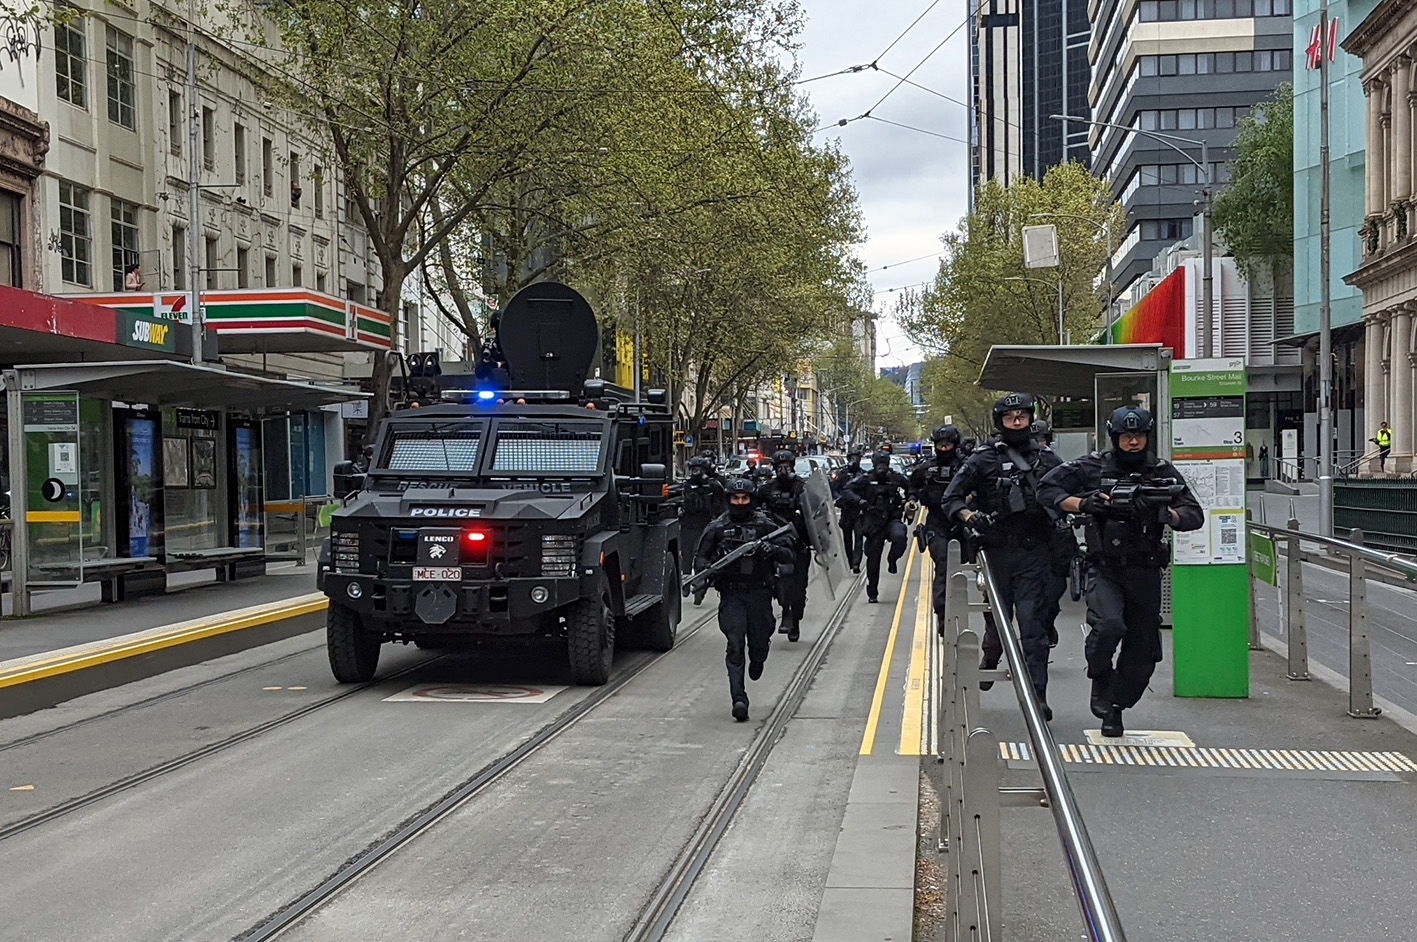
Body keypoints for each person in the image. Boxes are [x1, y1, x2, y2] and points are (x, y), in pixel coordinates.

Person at [1039, 406, 1204, 737]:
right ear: (1114, 437)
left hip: (1145, 570)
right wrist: (1085, 504)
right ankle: (1099, 675)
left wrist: (1166, 513)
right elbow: (1047, 490)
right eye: (1126, 436)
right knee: (1109, 625)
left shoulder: (1161, 471)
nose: (1133, 442)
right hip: (1105, 568)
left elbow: (1194, 514)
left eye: (1139, 436)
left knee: (1143, 651)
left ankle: (1116, 708)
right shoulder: (1092, 467)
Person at [943, 392, 1065, 719]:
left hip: (1033, 553)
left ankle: (1037, 696)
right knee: (998, 619)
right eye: (1010, 417)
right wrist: (970, 517)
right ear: (1001, 422)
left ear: (1029, 419)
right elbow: (951, 499)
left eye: (1021, 416)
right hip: (996, 551)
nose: (1016, 422)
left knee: (1032, 628)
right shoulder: (982, 459)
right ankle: (991, 651)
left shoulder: (1047, 459)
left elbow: (1071, 493)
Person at [694, 478, 795, 721]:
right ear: (728, 499)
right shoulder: (717, 528)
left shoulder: (766, 526)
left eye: (744, 499)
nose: (739, 503)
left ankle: (758, 659)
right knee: (735, 643)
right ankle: (739, 698)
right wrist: (711, 568)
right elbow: (699, 560)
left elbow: (790, 554)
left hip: (760, 593)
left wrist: (771, 550)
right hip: (732, 594)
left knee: (758, 643)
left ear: (751, 500)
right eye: (735, 498)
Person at [908, 425, 966, 625]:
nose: (944, 448)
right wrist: (912, 501)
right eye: (940, 445)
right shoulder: (925, 468)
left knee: (966, 566)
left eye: (948, 444)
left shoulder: (967, 467)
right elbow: (912, 488)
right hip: (937, 523)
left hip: (962, 522)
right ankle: (943, 616)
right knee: (943, 564)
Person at [756, 449, 811, 641]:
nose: (783, 470)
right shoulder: (766, 490)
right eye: (779, 467)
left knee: (799, 586)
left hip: (800, 543)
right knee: (781, 582)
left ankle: (796, 618)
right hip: (776, 543)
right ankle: (786, 612)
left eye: (786, 466)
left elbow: (819, 512)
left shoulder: (803, 488)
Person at [843, 451, 910, 603]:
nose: (881, 468)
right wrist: (860, 502)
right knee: (873, 560)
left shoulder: (894, 478)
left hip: (892, 518)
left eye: (884, 464)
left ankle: (892, 559)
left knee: (900, 536)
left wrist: (909, 501)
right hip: (873, 522)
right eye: (879, 465)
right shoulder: (865, 479)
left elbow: (911, 487)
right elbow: (847, 490)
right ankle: (872, 591)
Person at [680, 456, 727, 602]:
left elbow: (723, 507)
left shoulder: (714, 486)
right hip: (688, 526)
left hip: (706, 527)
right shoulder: (685, 486)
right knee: (686, 558)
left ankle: (700, 585)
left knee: (702, 557)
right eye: (694, 469)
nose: (697, 472)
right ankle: (687, 582)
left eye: (700, 469)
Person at [833, 448, 867, 573]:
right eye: (852, 458)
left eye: (856, 458)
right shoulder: (842, 474)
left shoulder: (863, 474)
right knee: (847, 538)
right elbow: (834, 489)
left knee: (859, 537)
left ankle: (856, 563)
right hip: (846, 510)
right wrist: (839, 499)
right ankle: (850, 561)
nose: (854, 461)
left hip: (858, 511)